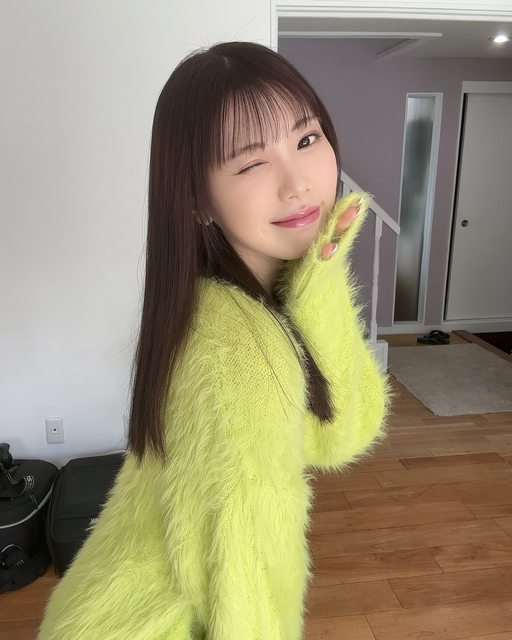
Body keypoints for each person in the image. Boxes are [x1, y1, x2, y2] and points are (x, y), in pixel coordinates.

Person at [37, 40, 393, 639]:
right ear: (198, 199)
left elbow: (338, 435)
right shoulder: (235, 351)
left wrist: (320, 278)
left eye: (307, 139)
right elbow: (246, 586)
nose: (298, 184)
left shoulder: (247, 305)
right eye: (252, 164)